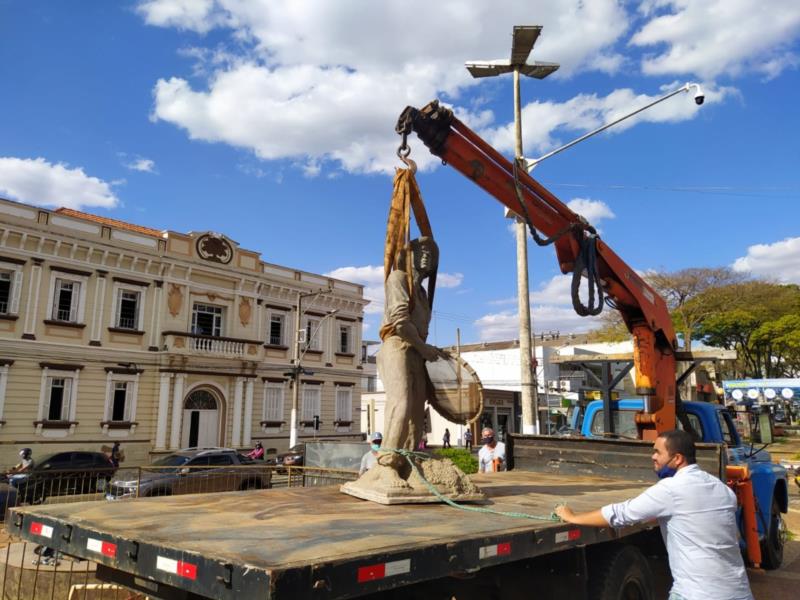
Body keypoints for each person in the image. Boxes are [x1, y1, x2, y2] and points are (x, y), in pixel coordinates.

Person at [555, 430, 753, 600]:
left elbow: (620, 514)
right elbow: (725, 532)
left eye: (658, 452)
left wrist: (574, 517)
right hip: (739, 591)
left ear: (677, 459)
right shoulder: (721, 489)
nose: (653, 457)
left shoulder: (671, 489)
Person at [378, 237, 441, 461]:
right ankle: (387, 460)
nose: (426, 255)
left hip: (415, 350)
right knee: (401, 402)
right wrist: (424, 348)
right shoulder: (398, 278)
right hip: (396, 344)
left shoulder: (422, 294)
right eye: (420, 250)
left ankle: (409, 458)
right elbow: (400, 322)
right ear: (408, 255)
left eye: (431, 253)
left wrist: (425, 349)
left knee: (417, 409)